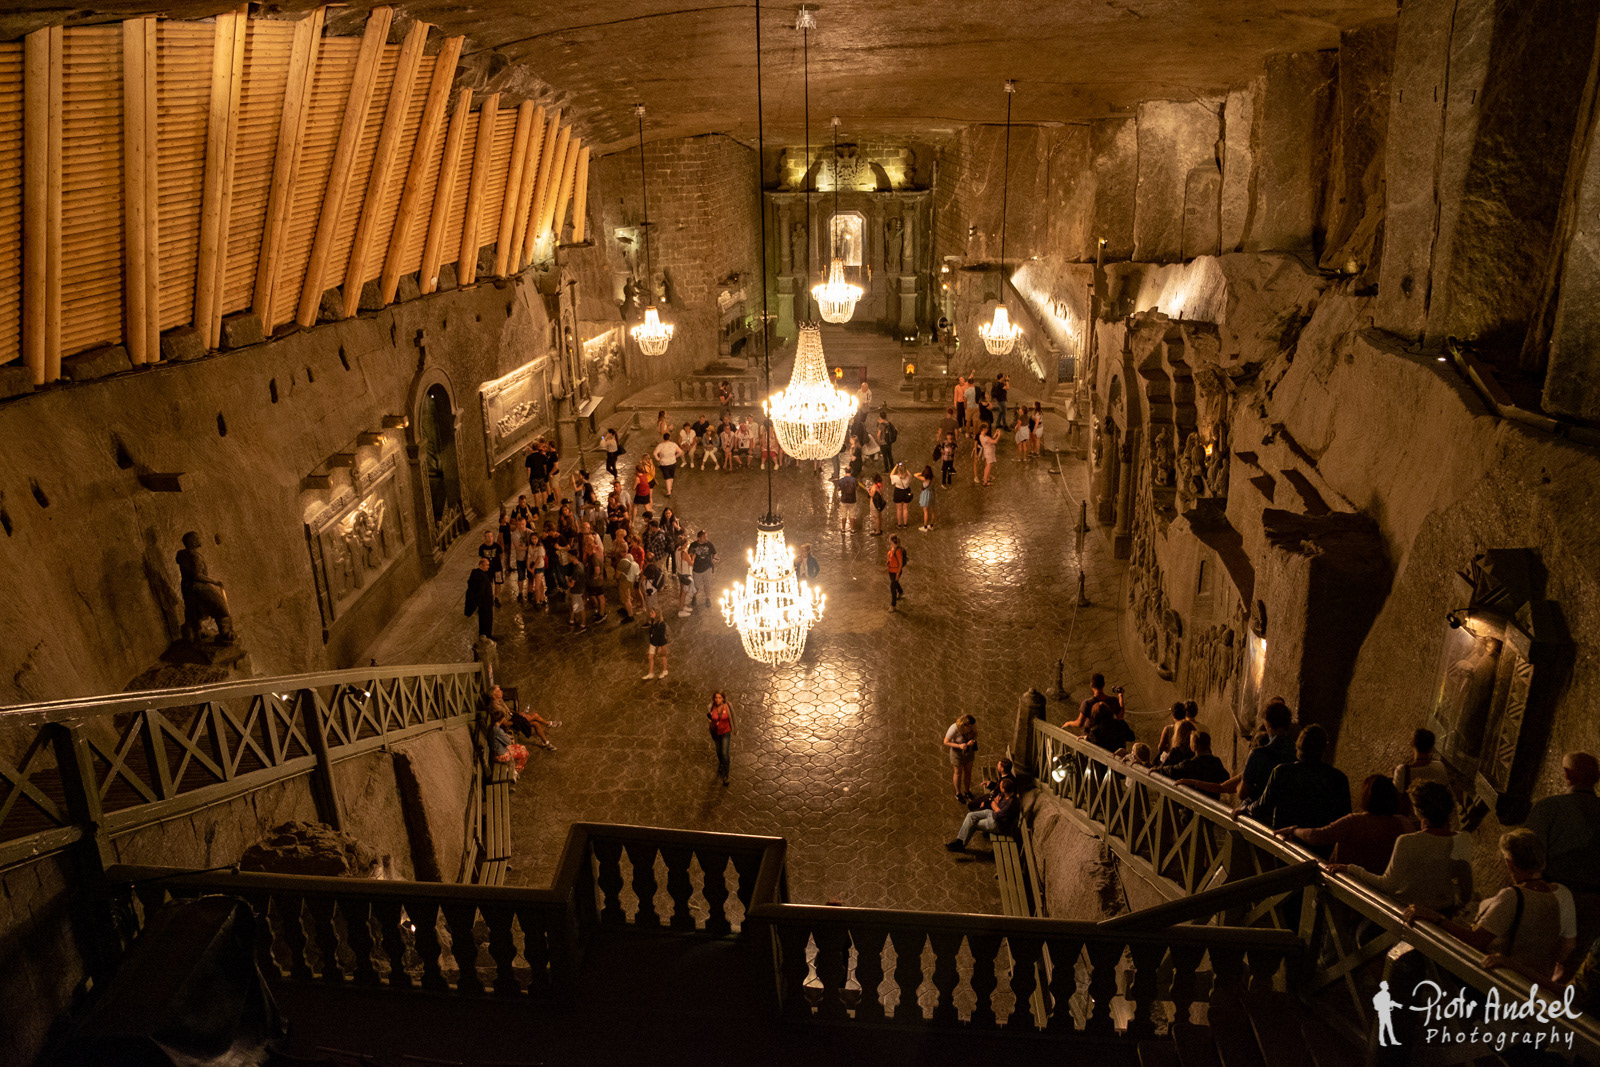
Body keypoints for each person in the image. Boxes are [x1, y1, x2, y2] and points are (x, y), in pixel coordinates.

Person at [1405, 829, 1577, 986]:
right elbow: (1567, 946)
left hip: (1502, 979)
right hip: (1536, 982)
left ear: (1509, 863)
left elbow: (1475, 941)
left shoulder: (1512, 896)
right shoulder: (1561, 893)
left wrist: (1436, 918)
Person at [1327, 781, 1474, 913]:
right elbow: (1466, 888)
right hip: (1443, 912)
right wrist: (1458, 906)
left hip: (1409, 914)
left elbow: (1387, 885)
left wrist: (1351, 869)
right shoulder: (1461, 840)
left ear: (1418, 811)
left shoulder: (1407, 841)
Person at [1525, 751, 1600, 949]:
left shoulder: (1548, 808)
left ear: (1567, 774)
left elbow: (1528, 855)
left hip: (1552, 898)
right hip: (1594, 904)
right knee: (1576, 958)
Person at [1279, 774, 1413, 870]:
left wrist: (1294, 830)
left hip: (1348, 885)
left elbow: (1317, 836)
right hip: (1380, 889)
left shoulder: (1354, 822)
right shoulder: (1403, 823)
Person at [1240, 724, 1351, 831]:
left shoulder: (1282, 773)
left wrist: (1245, 808)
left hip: (1285, 838)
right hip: (1319, 842)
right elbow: (1344, 819)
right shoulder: (1338, 779)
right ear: (1324, 749)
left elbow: (1262, 806)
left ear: (1298, 747)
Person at [946, 775, 1020, 852]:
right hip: (993, 814)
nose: (999, 788)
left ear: (1004, 789)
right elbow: (996, 808)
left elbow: (996, 816)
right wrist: (996, 808)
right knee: (970, 815)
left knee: (973, 824)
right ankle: (960, 841)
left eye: (1000, 786)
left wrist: (995, 805)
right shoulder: (1006, 794)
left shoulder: (1011, 804)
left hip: (998, 824)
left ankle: (961, 844)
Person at [1160, 731, 1230, 786]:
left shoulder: (1190, 764)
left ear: (1194, 745)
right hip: (1212, 798)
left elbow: (1171, 770)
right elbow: (1226, 778)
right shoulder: (1216, 761)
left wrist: (1158, 769)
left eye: (1191, 742)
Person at [487, 706, 528, 782]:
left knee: (522, 748)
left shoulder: (493, 727)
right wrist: (507, 737)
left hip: (500, 750)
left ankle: (515, 768)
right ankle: (515, 771)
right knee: (524, 753)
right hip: (501, 755)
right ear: (502, 719)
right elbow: (508, 742)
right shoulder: (497, 730)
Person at [943, 715, 978, 802]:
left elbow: (975, 734)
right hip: (957, 754)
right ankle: (958, 793)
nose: (972, 727)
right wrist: (959, 746)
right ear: (964, 725)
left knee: (968, 772)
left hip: (969, 752)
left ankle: (967, 791)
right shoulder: (954, 728)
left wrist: (972, 741)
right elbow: (946, 742)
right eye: (970, 726)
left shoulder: (972, 726)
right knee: (958, 773)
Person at [464, 557, 495, 639]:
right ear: (481, 565)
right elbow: (481, 591)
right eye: (486, 565)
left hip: (481, 603)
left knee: (482, 620)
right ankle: (487, 636)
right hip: (485, 603)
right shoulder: (482, 577)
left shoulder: (474, 572)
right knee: (487, 620)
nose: (488, 567)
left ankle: (483, 635)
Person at [708, 691, 734, 785]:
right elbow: (710, 719)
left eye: (719, 697)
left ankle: (726, 775)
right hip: (716, 733)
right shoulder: (711, 706)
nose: (718, 699)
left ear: (723, 698)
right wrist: (712, 723)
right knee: (719, 752)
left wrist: (734, 728)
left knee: (725, 753)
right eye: (716, 698)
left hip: (726, 732)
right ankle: (722, 764)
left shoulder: (728, 706)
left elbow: (733, 717)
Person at [689, 530, 718, 608]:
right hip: (697, 569)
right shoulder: (693, 545)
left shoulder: (709, 544)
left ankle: (707, 598)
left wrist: (714, 558)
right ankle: (694, 597)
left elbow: (714, 553)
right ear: (698, 538)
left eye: (706, 537)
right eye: (704, 537)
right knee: (696, 586)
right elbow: (690, 554)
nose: (706, 539)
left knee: (707, 585)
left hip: (707, 568)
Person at [479, 529, 505, 606]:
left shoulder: (497, 546)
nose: (490, 538)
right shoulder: (482, 547)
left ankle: (496, 598)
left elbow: (501, 555)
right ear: (485, 538)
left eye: (491, 536)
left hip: (497, 568)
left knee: (497, 583)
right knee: (488, 584)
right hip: (487, 570)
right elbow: (481, 558)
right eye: (487, 536)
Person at [653, 433, 683, 497]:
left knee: (667, 477)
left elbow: (654, 453)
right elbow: (680, 452)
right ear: (669, 438)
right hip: (672, 462)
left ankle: (669, 492)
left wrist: (658, 459)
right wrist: (675, 456)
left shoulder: (660, 445)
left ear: (663, 438)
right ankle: (670, 487)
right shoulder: (673, 444)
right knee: (671, 476)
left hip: (664, 463)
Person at [643, 608, 670, 680]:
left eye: (652, 612)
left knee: (663, 657)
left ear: (656, 614)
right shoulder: (653, 620)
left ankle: (665, 671)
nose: (650, 613)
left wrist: (660, 647)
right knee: (650, 657)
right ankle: (651, 673)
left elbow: (661, 636)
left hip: (660, 643)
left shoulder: (661, 624)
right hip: (653, 642)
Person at [886, 534, 907, 611]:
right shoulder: (892, 547)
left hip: (896, 571)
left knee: (892, 588)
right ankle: (901, 593)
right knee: (895, 582)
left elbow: (900, 563)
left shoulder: (898, 551)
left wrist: (898, 574)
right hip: (891, 570)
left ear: (891, 540)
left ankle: (893, 605)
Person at [676, 541, 697, 617]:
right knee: (684, 593)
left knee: (682, 591)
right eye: (687, 543)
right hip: (685, 575)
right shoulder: (684, 553)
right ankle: (681, 610)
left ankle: (683, 605)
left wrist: (689, 556)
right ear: (684, 544)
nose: (688, 544)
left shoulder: (677, 550)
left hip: (680, 573)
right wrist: (693, 557)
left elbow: (683, 559)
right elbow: (691, 563)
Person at [890, 462, 913, 529]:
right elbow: (910, 475)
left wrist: (896, 466)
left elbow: (891, 475)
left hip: (898, 492)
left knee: (899, 509)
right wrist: (904, 468)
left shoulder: (896, 478)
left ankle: (899, 524)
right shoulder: (908, 477)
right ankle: (905, 524)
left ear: (899, 471)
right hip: (906, 491)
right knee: (905, 508)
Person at [835, 469, 859, 533]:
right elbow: (857, 488)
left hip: (844, 499)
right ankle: (852, 529)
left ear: (845, 472)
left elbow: (838, 489)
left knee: (843, 515)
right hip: (852, 500)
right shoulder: (854, 480)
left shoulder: (842, 480)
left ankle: (843, 528)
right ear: (851, 471)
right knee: (852, 515)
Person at [916, 465, 936, 531]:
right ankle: (931, 525)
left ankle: (925, 527)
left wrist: (921, 473)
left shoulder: (924, 478)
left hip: (925, 494)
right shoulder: (933, 478)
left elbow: (915, 475)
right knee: (932, 510)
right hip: (931, 494)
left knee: (925, 511)